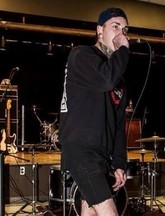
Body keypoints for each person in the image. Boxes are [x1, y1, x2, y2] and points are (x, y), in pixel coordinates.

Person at [59, 7, 130, 216]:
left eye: (125, 30)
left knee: (89, 212)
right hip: (81, 150)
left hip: (101, 154)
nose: (121, 34)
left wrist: (119, 163)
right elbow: (104, 80)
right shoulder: (81, 55)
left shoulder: (118, 80)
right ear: (100, 30)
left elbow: (118, 126)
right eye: (115, 26)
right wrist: (123, 50)